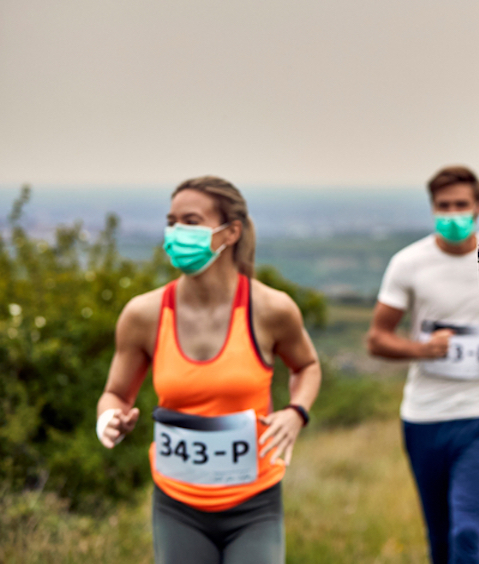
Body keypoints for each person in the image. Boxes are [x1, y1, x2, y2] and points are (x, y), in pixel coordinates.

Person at [96, 176, 321, 564]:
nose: (176, 233)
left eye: (191, 221)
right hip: (177, 503)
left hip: (254, 502)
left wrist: (296, 412)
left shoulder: (271, 309)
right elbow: (115, 394)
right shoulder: (143, 315)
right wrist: (109, 419)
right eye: (171, 222)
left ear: (230, 232)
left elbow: (308, 366)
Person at [367, 166, 479, 564]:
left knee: (466, 530)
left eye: (461, 205)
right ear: (433, 208)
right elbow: (377, 338)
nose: (452, 214)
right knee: (440, 537)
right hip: (424, 417)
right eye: (443, 206)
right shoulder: (408, 263)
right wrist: (422, 349)